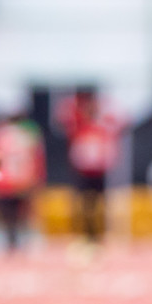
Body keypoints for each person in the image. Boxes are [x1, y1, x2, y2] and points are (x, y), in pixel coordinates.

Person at [56, 89, 121, 244]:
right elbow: (63, 117)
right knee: (82, 204)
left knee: (101, 205)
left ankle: (99, 234)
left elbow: (112, 142)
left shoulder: (103, 127)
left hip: (99, 171)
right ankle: (82, 233)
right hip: (82, 171)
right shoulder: (78, 125)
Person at [0, 111, 46, 253]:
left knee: (10, 213)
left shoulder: (0, 133)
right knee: (18, 213)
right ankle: (15, 241)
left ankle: (12, 240)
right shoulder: (28, 134)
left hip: (8, 180)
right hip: (20, 180)